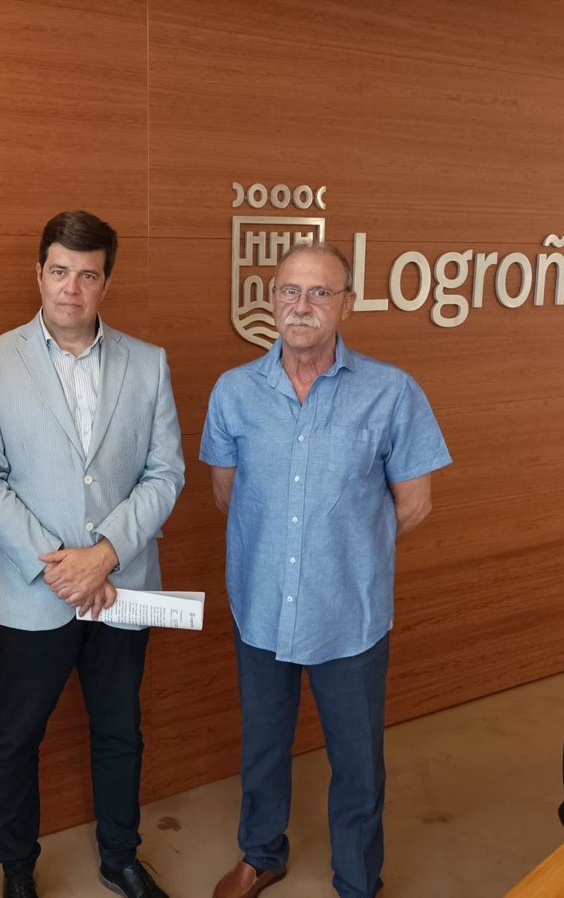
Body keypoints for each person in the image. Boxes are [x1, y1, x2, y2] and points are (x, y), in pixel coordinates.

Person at [200, 241, 451, 898]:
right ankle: (261, 853)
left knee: (358, 762)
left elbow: (414, 505)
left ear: (347, 304)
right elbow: (228, 494)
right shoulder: (234, 392)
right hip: (260, 605)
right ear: (271, 300)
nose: (302, 305)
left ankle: (357, 881)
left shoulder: (391, 392)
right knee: (262, 746)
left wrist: (340, 551)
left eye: (320, 292)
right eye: (290, 290)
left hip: (349, 613)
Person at [0, 210, 184, 898]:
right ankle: (17, 869)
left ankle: (120, 858)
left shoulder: (148, 363)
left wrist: (105, 553)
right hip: (32, 590)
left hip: (122, 585)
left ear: (106, 282)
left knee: (120, 731)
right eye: (59, 271)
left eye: (87, 275)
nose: (71, 288)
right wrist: (62, 563)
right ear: (39, 273)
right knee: (16, 736)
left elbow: (165, 473)